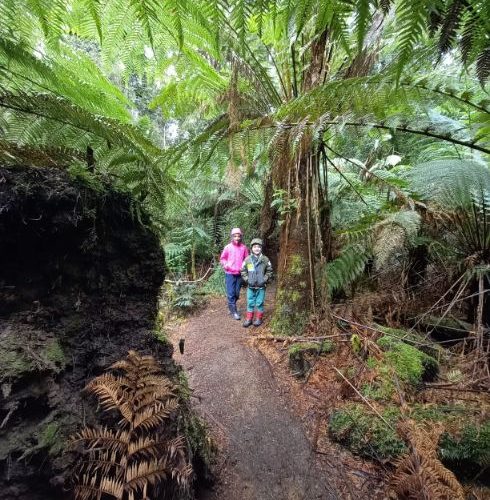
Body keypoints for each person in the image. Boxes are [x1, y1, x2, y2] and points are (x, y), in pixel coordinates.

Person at [240, 238, 273, 327]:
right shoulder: (247, 260)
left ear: (261, 248)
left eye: (258, 247)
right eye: (255, 247)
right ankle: (249, 318)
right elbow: (243, 270)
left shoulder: (265, 259)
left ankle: (259, 318)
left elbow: (269, 271)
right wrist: (247, 279)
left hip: (261, 286)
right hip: (250, 286)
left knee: (259, 302)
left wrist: (264, 279)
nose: (257, 248)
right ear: (251, 248)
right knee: (250, 302)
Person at [220, 228, 249, 320]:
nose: (237, 238)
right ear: (232, 237)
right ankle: (234, 311)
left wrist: (246, 268)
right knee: (231, 293)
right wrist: (226, 265)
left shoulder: (243, 248)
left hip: (239, 274)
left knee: (236, 293)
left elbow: (247, 259)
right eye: (235, 236)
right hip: (230, 273)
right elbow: (223, 258)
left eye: (238, 236)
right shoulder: (228, 247)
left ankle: (231, 305)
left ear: (241, 237)